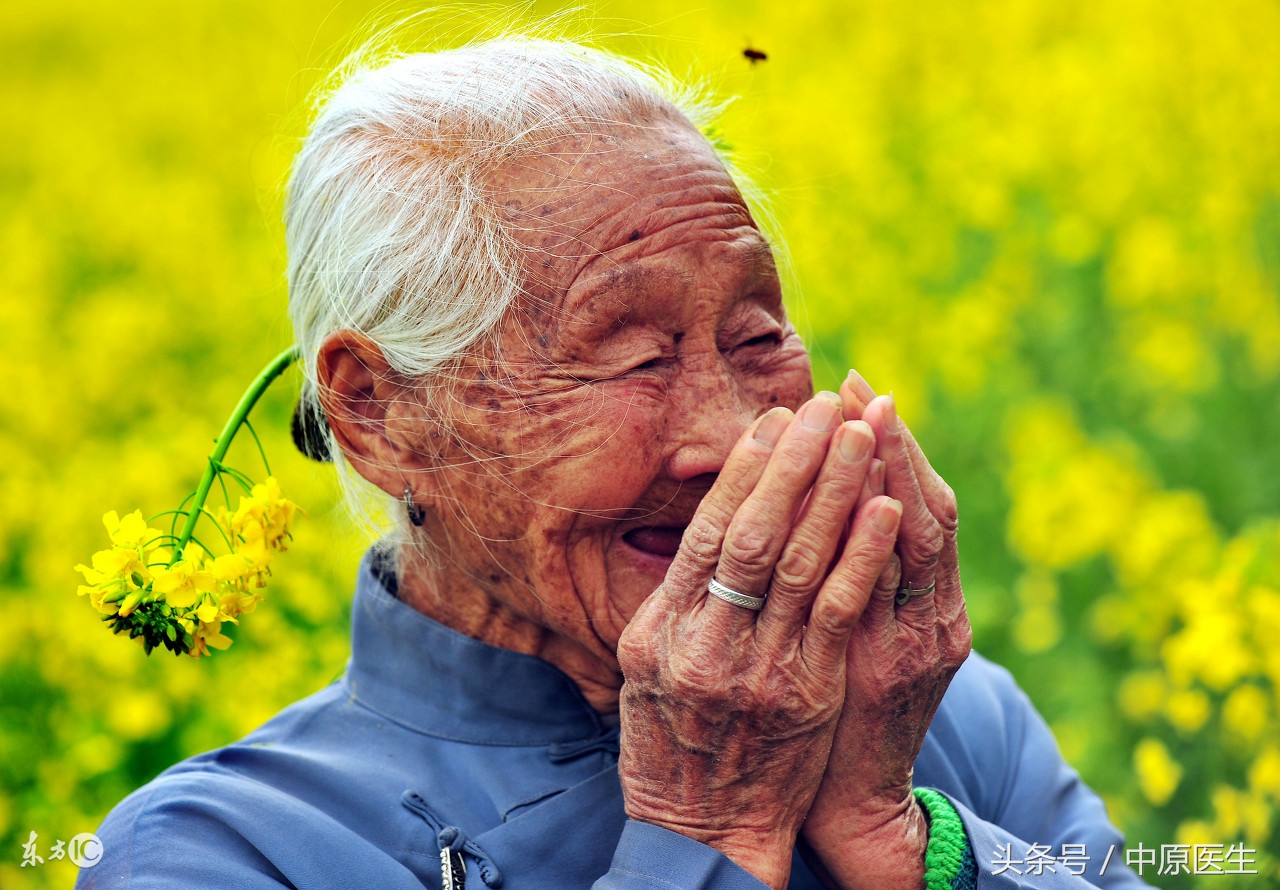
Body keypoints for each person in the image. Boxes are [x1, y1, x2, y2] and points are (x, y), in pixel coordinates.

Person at [80, 36, 1150, 890]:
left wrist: (910, 839)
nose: (733, 437)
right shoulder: (222, 850)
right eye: (635, 356)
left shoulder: (933, 714)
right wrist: (707, 831)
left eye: (757, 339)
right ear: (378, 413)